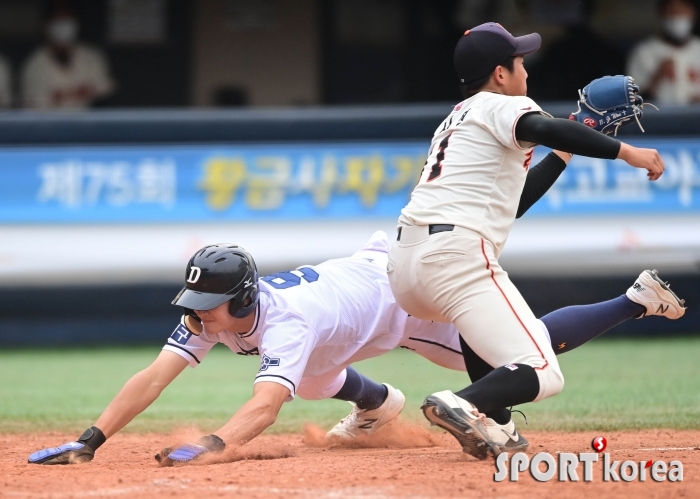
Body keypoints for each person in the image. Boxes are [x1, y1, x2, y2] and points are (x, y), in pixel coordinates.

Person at [27, 229, 684, 465]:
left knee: (524, 348)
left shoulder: (283, 325)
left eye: (209, 305)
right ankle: (377, 403)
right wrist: (92, 437)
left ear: (243, 302)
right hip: (358, 289)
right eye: (195, 303)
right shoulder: (213, 319)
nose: (197, 316)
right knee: (310, 378)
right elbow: (153, 376)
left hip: (398, 301)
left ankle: (635, 297)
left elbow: (260, 409)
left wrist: (212, 446)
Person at [386, 22, 677, 460]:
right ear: (500, 74)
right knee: (544, 371)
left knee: (486, 330)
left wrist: (567, 145)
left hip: (406, 267)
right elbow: (549, 128)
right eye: (519, 61)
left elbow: (513, 202)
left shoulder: (456, 119)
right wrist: (626, 153)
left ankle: (497, 424)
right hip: (452, 258)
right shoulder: (499, 104)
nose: (525, 69)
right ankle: (463, 403)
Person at [20, 8, 115, 109]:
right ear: (46, 26)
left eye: (68, 23)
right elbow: (33, 107)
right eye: (59, 23)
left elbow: (106, 93)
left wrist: (69, 95)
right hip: (51, 123)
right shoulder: (34, 65)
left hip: (89, 122)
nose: (64, 28)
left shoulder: (91, 57)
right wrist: (73, 94)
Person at [627, 0, 700, 104]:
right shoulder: (644, 52)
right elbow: (631, 102)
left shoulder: (698, 48)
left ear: (694, 13)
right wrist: (657, 77)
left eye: (682, 11)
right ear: (660, 14)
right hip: (658, 118)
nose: (677, 16)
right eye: (671, 12)